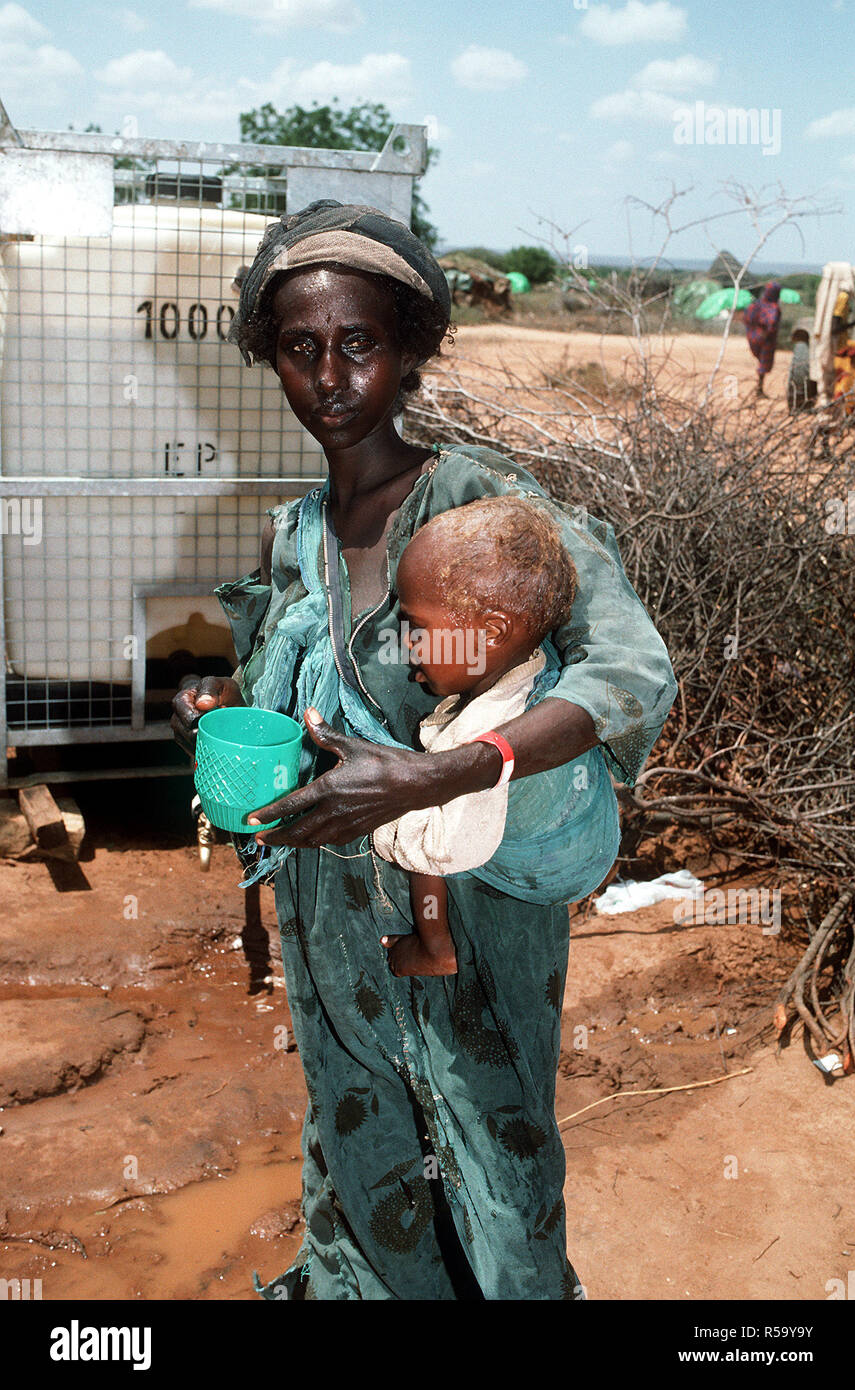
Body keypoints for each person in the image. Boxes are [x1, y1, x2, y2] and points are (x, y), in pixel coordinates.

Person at [171, 198, 678, 1301]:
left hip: (475, 929)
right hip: (330, 935)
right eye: (301, 350)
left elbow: (630, 667)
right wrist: (222, 698)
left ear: (408, 350)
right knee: (364, 1176)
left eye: (359, 343)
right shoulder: (293, 531)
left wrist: (448, 767)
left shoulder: (481, 499)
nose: (331, 378)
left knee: (496, 1173)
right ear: (275, 361)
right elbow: (291, 699)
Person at [372, 494, 581, 978]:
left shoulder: (474, 733)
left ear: (492, 631)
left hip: (475, 889)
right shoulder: (533, 669)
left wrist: (389, 813)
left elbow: (443, 849)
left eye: (417, 628)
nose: (405, 645)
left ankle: (432, 946)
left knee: (422, 841)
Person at [742, 280, 782, 397]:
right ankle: (759, 389)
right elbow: (772, 323)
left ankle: (759, 388)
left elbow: (746, 318)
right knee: (763, 365)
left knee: (760, 362)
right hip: (766, 340)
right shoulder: (773, 308)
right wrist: (767, 332)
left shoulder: (755, 304)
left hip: (753, 338)